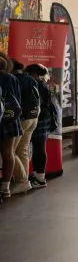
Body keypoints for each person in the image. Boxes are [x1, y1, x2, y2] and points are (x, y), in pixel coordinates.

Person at [8, 60, 41, 196]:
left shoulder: (14, 79)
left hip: (23, 119)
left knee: (10, 152)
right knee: (22, 150)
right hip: (34, 117)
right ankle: (23, 180)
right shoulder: (30, 79)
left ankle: (22, 181)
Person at [27, 64, 58, 188]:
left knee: (39, 147)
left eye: (28, 74)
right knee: (38, 146)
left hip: (41, 118)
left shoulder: (37, 85)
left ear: (34, 74)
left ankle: (40, 178)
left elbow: (36, 105)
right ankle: (37, 174)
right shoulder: (42, 83)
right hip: (45, 118)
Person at [0, 53, 23, 200]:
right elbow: (18, 100)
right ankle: (5, 188)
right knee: (8, 154)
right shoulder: (12, 78)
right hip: (10, 120)